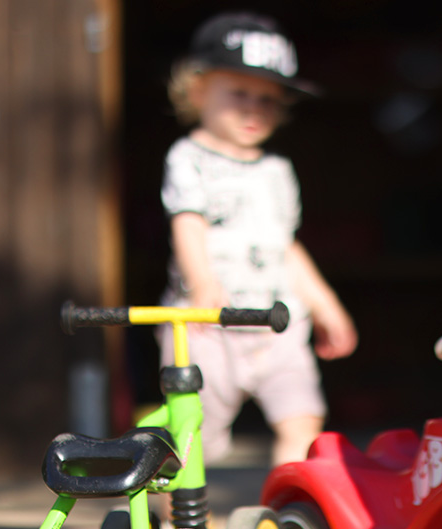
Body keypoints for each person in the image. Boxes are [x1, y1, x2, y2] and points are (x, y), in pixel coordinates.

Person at [157, 11, 358, 467]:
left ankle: (283, 507)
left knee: (303, 421)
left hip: (277, 324)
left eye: (268, 99)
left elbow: (284, 245)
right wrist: (202, 283)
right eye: (239, 93)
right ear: (198, 90)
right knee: (192, 433)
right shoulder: (189, 157)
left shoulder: (276, 171)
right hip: (210, 326)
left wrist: (326, 302)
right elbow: (187, 223)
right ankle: (182, 517)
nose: (255, 108)